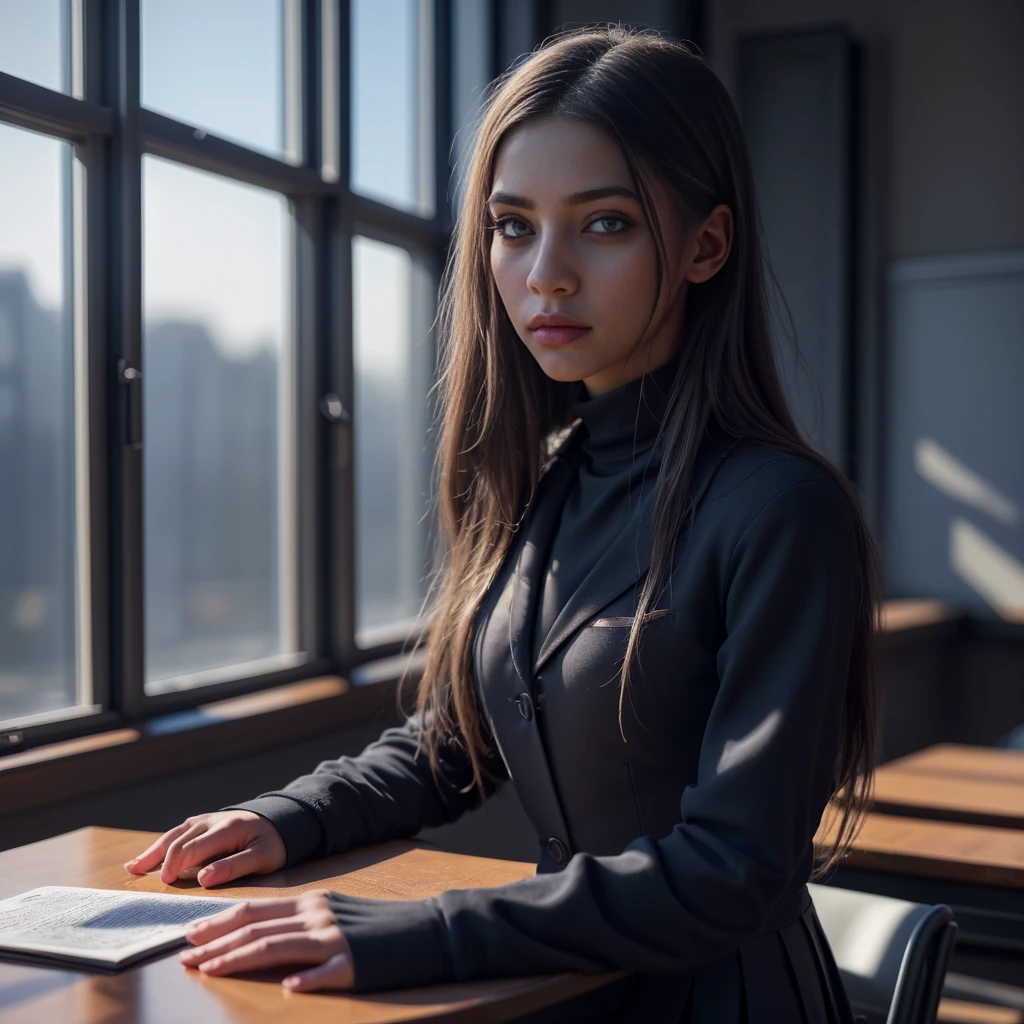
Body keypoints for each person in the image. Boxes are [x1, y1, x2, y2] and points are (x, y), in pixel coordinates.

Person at [126, 24, 880, 1022]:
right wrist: (284, 819)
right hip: (558, 990)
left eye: (603, 224)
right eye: (512, 225)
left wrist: (413, 930)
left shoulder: (782, 510)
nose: (544, 273)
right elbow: (460, 741)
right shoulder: (552, 477)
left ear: (706, 245)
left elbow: (730, 869)